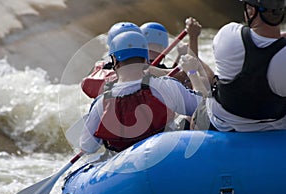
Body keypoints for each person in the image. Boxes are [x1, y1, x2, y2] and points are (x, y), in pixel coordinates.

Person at [79, 31, 202, 154]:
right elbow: (202, 108)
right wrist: (193, 73)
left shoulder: (101, 103)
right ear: (146, 59)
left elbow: (88, 147)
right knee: (186, 120)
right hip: (166, 154)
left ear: (115, 61)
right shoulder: (166, 86)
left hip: (126, 166)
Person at [184, 0, 286, 132]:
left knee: (210, 88)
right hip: (271, 130)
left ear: (251, 10)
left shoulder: (227, 34)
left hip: (220, 126)